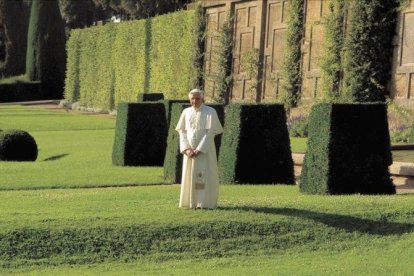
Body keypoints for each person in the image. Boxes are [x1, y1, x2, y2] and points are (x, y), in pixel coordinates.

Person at [175, 88, 223, 209]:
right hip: (189, 153)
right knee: (189, 175)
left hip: (205, 151)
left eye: (197, 98)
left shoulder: (210, 112)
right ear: (189, 99)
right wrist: (187, 149)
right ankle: (190, 202)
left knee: (204, 174)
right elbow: (182, 131)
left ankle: (204, 203)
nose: (195, 101)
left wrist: (199, 149)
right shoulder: (186, 112)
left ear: (202, 98)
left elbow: (211, 132)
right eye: (192, 98)